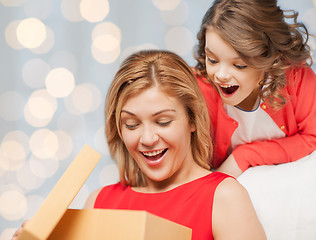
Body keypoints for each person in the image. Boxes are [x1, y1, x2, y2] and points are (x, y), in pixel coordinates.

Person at [83, 50, 266, 240]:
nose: (147, 139)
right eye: (132, 124)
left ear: (192, 119)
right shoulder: (98, 203)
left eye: (163, 122)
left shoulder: (224, 197)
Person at [194, 0, 316, 177]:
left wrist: (245, 156)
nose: (220, 75)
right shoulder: (197, 90)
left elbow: (312, 137)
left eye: (239, 65)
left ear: (270, 59)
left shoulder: (296, 76)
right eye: (212, 60)